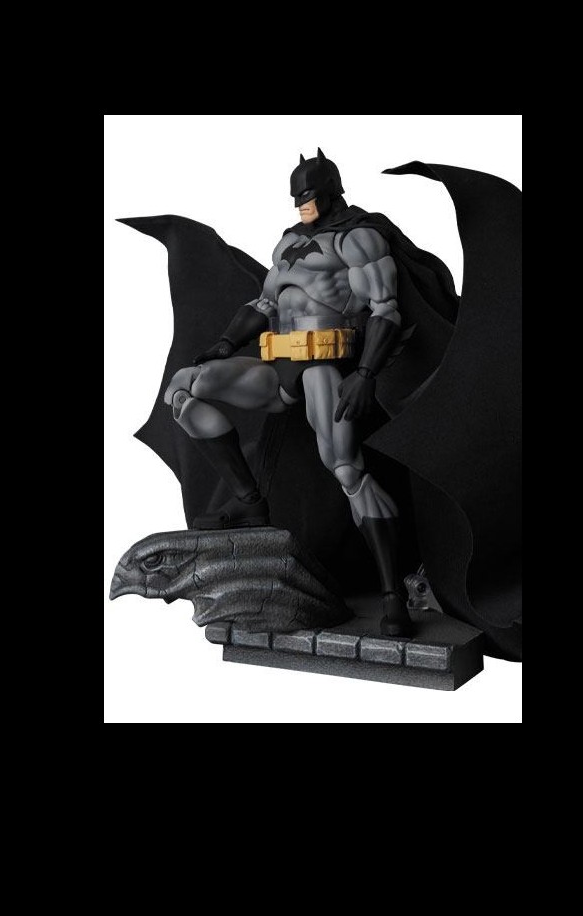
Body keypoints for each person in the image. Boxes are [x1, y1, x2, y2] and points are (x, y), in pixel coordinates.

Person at [163, 148, 415, 637]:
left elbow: (386, 309)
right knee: (185, 389)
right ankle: (250, 502)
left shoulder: (357, 239)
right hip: (278, 363)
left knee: (346, 469)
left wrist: (365, 373)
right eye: (297, 198)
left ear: (330, 193)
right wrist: (226, 342)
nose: (301, 205)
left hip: (326, 365)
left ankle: (393, 594)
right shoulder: (289, 242)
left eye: (308, 197)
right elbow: (263, 302)